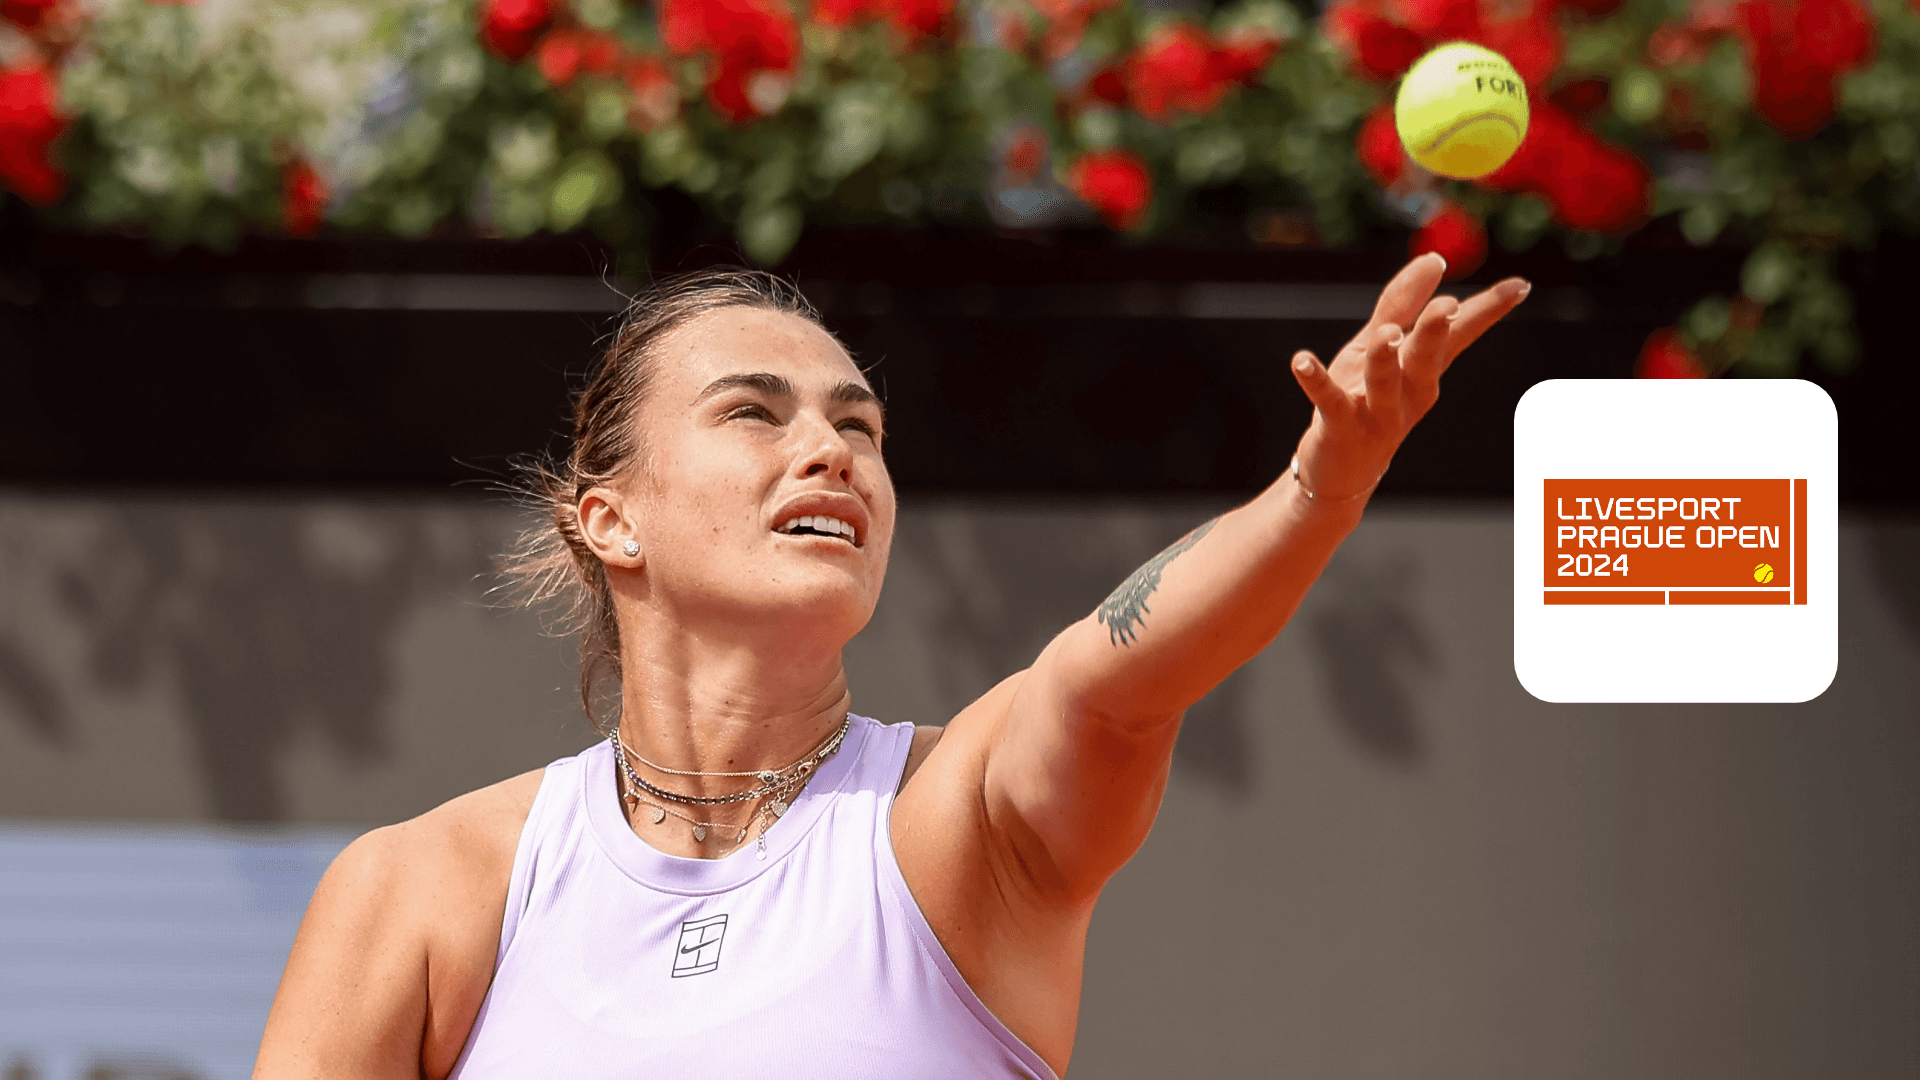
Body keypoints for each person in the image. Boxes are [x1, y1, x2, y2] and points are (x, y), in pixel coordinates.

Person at [253, 254, 1527, 1079]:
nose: (833, 451)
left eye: (858, 426)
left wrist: (1313, 492)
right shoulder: (419, 893)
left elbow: (1111, 678)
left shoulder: (957, 826)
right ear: (611, 518)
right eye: (755, 412)